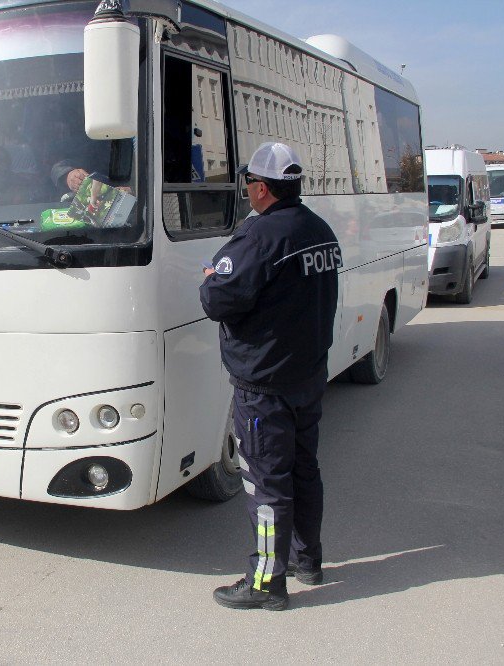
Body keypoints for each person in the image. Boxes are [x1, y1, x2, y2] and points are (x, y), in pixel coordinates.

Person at [199, 142, 341, 611]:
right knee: (305, 472)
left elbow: (217, 299)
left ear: (260, 187)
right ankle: (308, 562)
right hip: (306, 376)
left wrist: (210, 278)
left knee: (266, 486)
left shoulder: (260, 237)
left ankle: (265, 584)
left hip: (264, 387)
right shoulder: (318, 229)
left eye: (248, 184)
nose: (246, 191)